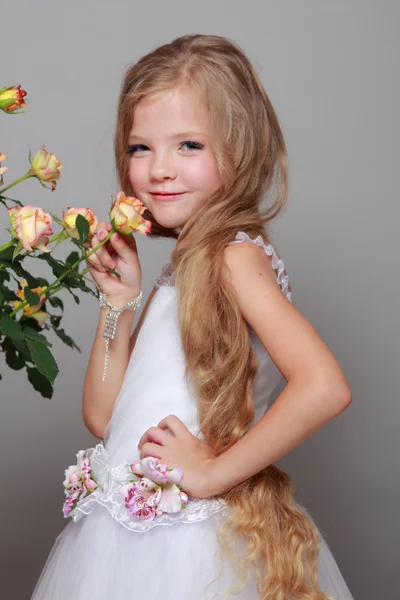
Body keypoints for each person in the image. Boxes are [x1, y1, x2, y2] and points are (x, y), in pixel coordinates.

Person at [31, 34, 355, 600]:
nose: (159, 170)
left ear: (239, 148)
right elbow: (107, 420)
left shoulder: (232, 257)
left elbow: (324, 386)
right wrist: (118, 305)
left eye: (188, 145)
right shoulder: (183, 268)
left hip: (188, 546)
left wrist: (208, 474)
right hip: (131, 529)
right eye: (140, 148)